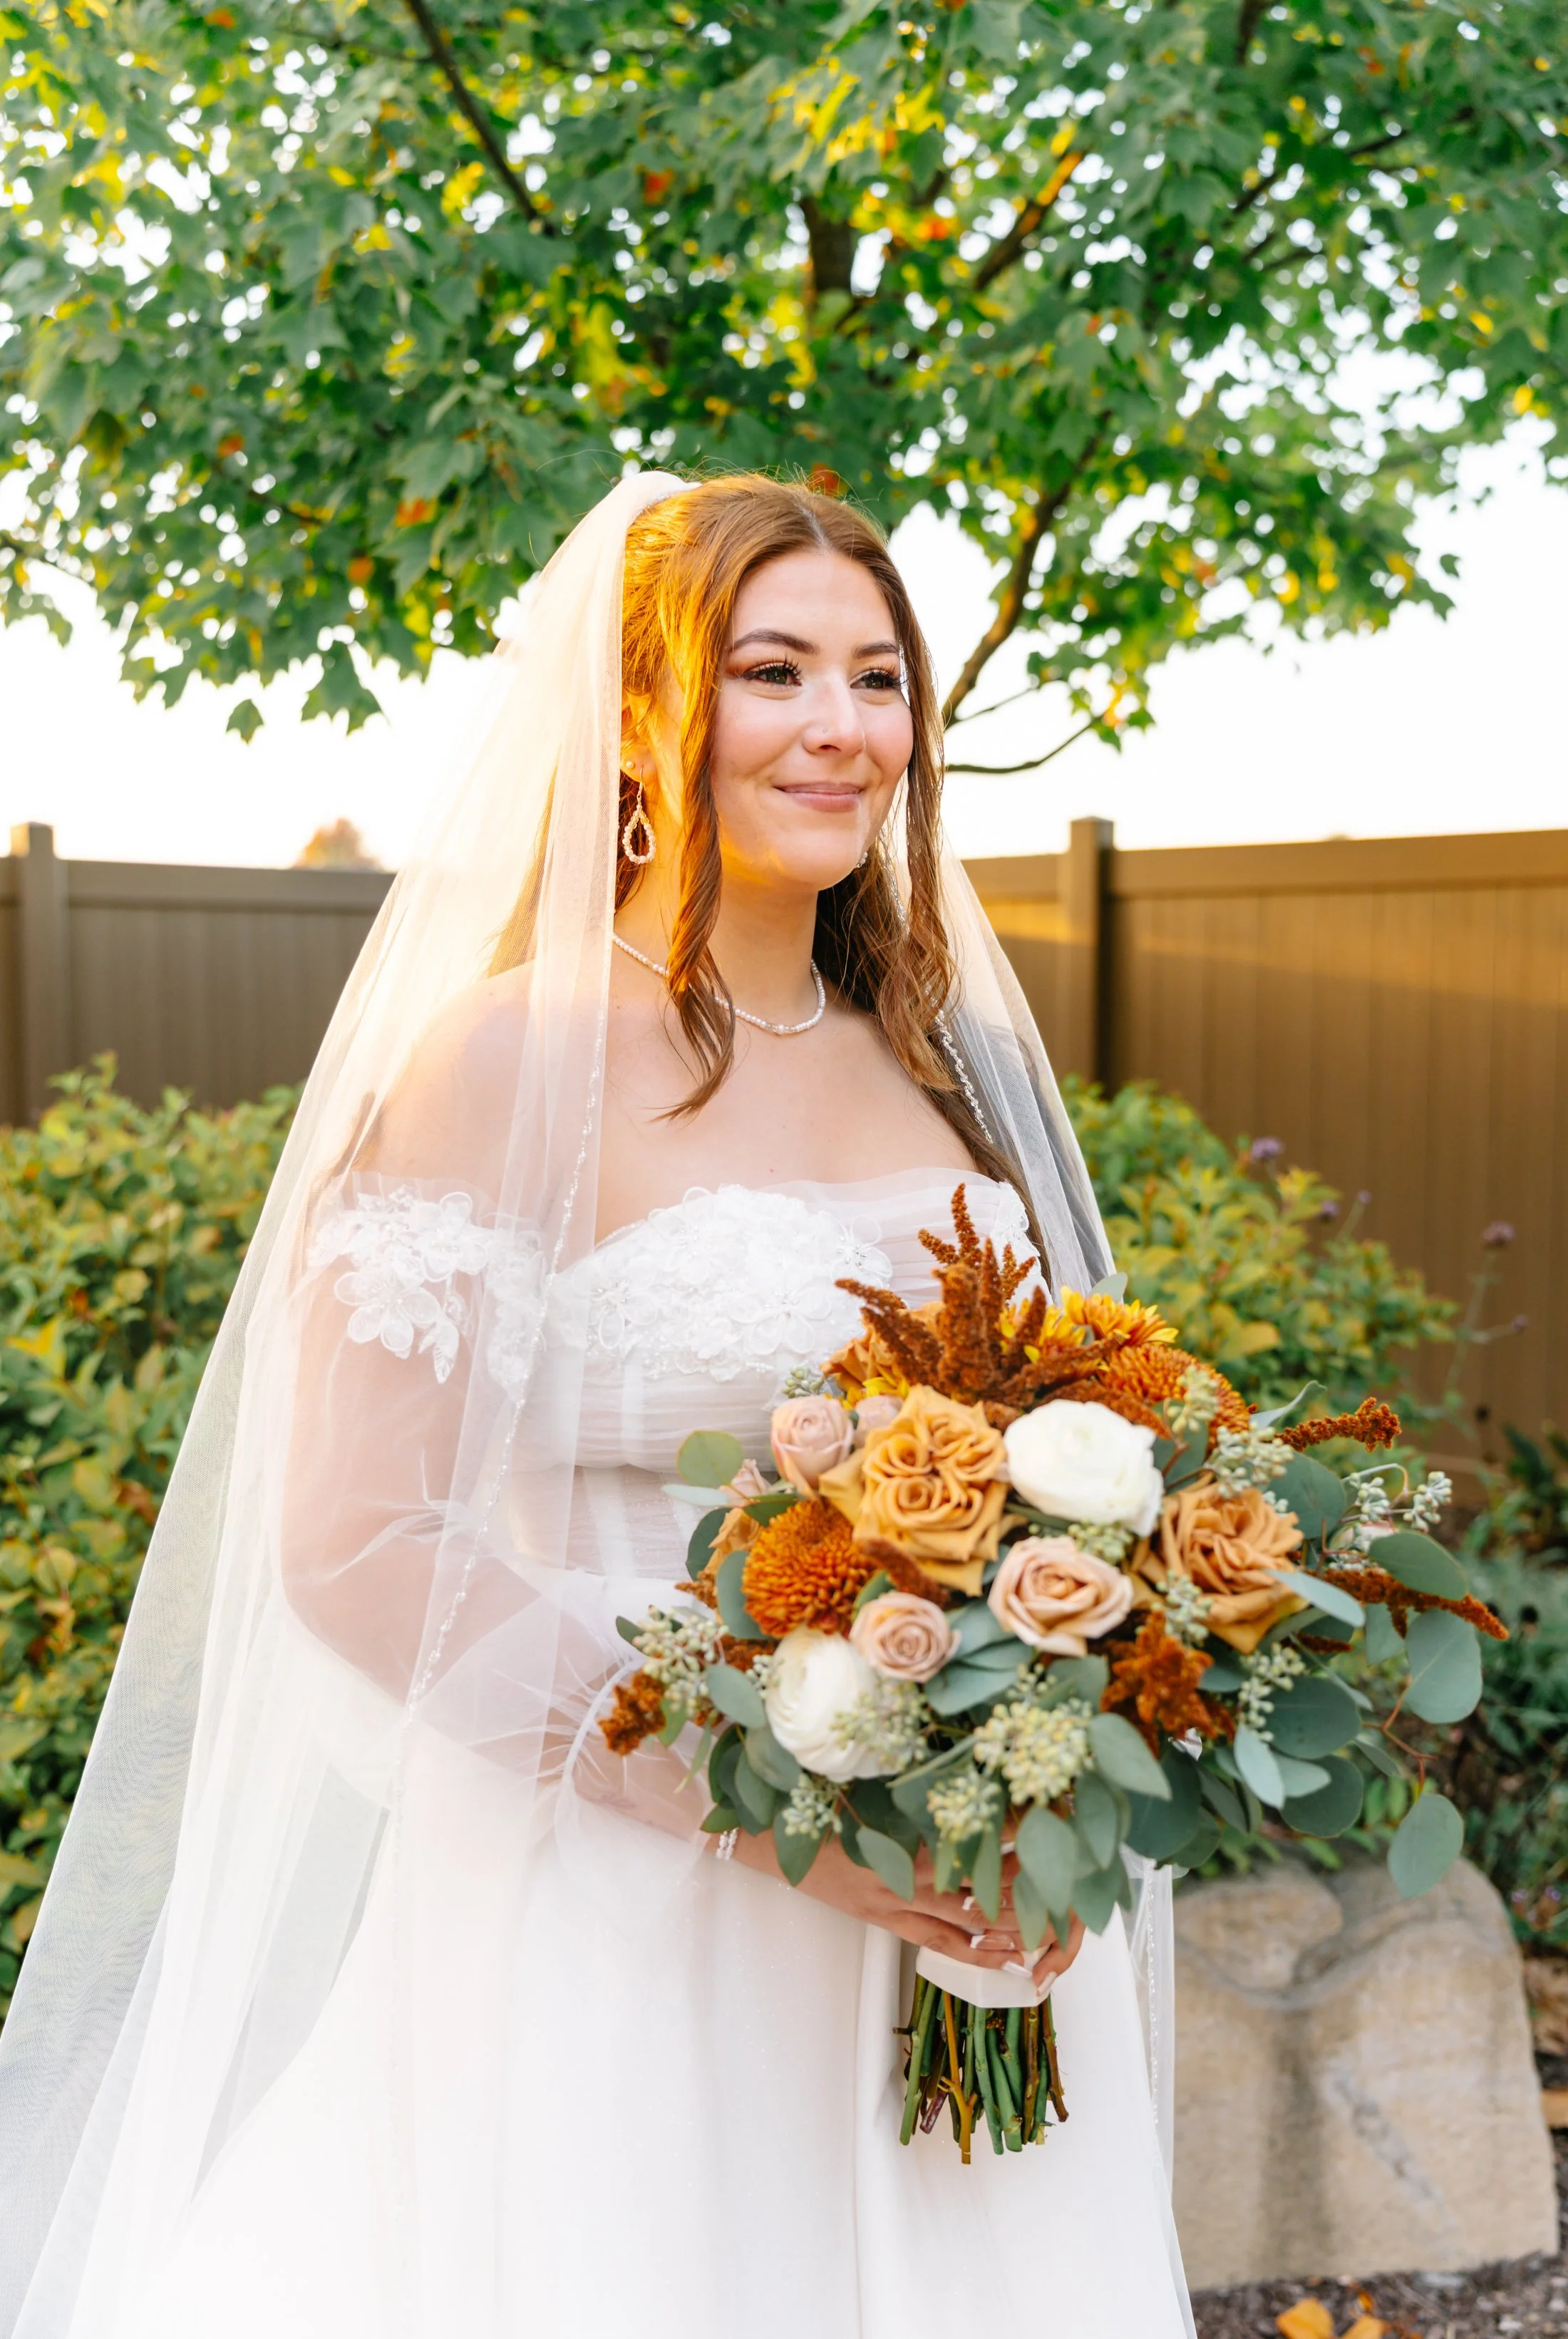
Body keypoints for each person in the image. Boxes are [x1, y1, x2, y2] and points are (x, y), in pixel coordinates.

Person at [0, 473, 1194, 2337]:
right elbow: (357, 1540)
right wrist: (782, 1805)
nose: (841, 726)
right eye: (774, 668)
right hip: (629, 1887)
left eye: (878, 679)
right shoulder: (511, 1052)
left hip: (956, 1898)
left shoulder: (930, 1048)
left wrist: (1044, 1749)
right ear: (642, 710)